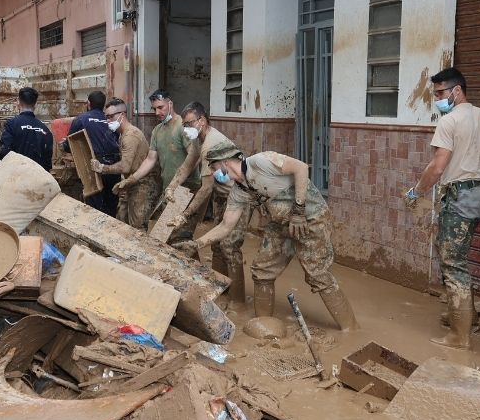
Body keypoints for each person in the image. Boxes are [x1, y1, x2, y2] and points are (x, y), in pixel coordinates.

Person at [179, 143, 359, 330]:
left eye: (214, 168)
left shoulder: (260, 162)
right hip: (281, 224)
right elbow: (226, 226)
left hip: (310, 217)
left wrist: (298, 211)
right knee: (262, 270)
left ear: (225, 162)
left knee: (317, 274)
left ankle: (350, 329)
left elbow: (301, 168)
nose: (215, 174)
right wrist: (197, 244)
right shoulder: (239, 191)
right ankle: (265, 328)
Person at [405, 67, 480, 350]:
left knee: (454, 264)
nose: (438, 99)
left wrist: (417, 192)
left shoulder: (450, 121)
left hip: (461, 197)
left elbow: (437, 166)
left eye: (441, 93)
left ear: (457, 90)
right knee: (460, 254)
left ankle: (459, 336)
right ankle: (467, 316)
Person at [166, 102, 247, 301]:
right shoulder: (198, 139)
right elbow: (186, 166)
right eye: (183, 125)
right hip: (222, 196)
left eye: (189, 123)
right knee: (217, 246)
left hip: (239, 196)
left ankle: (238, 301)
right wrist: (172, 186)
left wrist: (184, 215)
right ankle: (219, 289)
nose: (186, 129)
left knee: (230, 247)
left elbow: (206, 188)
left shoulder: (212, 144)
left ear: (202, 121)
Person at [114, 89, 202, 238]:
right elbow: (150, 159)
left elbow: (195, 157)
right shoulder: (157, 131)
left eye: (161, 107)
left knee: (177, 236)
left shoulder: (183, 127)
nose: (157, 112)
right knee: (172, 237)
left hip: (186, 189)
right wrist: (132, 179)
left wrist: (178, 182)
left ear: (170, 104)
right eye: (154, 108)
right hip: (169, 190)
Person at [91, 98, 150, 230]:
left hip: (141, 184)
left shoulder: (131, 136)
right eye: (106, 117)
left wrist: (102, 168)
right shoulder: (122, 134)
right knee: (122, 222)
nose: (108, 120)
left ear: (122, 115)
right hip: (129, 183)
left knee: (137, 227)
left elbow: (125, 166)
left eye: (111, 116)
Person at [64, 90, 121, 215]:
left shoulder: (81, 119)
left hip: (95, 166)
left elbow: (69, 145)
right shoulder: (110, 120)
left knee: (94, 206)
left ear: (88, 103)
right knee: (111, 204)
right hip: (114, 167)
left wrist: (64, 144)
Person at [0, 86, 52, 171]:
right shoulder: (45, 129)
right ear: (35, 105)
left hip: (16, 177)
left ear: (18, 103)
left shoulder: (11, 124)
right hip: (38, 179)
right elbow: (47, 163)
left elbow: (3, 152)